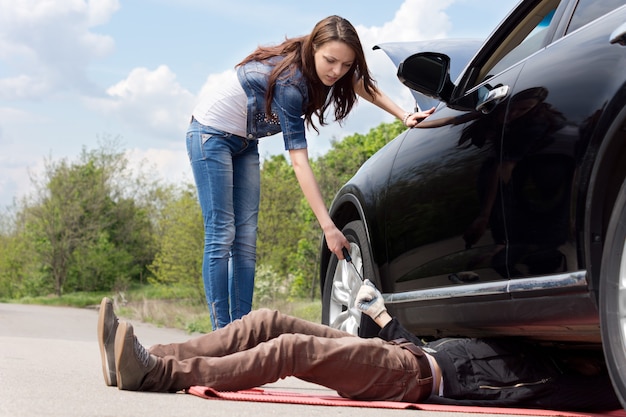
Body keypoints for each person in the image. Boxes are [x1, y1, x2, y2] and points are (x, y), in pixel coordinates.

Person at [186, 15, 434, 329]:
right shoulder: (292, 84)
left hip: (245, 141)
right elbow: (299, 162)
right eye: (330, 61)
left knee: (246, 240)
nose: (336, 71)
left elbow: (361, 84)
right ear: (313, 47)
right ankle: (221, 332)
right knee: (223, 233)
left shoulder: (334, 69)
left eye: (345, 64)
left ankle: (240, 329)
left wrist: (403, 115)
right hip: (210, 135)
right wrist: (328, 227)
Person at [97, 281, 621, 411]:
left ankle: (156, 375)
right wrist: (384, 318)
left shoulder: (568, 381)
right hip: (406, 356)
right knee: (269, 320)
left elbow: (591, 397)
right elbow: (433, 347)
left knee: (291, 350)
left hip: (407, 379)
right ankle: (150, 355)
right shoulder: (527, 340)